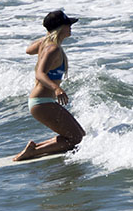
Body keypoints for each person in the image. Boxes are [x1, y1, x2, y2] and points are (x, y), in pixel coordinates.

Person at [13, 10, 86, 161]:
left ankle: (35, 148)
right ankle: (33, 152)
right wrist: (57, 88)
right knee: (76, 139)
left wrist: (48, 36)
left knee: (79, 136)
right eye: (68, 25)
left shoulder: (46, 44)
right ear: (60, 28)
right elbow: (40, 73)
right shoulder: (53, 49)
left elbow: (28, 50)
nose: (70, 27)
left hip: (42, 102)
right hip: (42, 102)